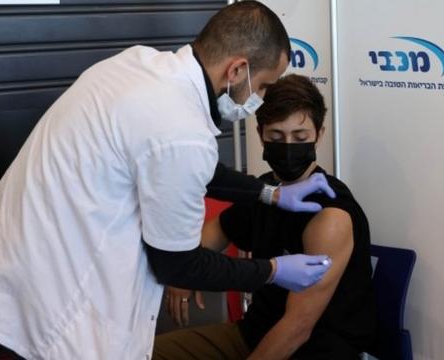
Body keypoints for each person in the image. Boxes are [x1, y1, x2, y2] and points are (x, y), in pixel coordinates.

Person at [0, 2, 335, 359]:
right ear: (236, 70)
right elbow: (178, 266)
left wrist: (270, 193)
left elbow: (192, 170)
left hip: (26, 263)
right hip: (64, 298)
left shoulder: (137, 64)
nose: (262, 99)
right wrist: (273, 271)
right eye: (264, 86)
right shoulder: (181, 129)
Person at [153, 74, 378, 360]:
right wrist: (181, 272)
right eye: (276, 136)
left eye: (300, 137)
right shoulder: (265, 192)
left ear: (319, 135)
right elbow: (207, 238)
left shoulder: (330, 216)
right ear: (260, 135)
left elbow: (296, 329)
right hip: (253, 334)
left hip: (315, 350)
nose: (287, 146)